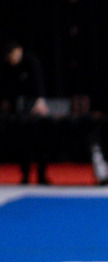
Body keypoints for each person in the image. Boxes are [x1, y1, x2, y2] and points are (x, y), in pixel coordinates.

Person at [0, 41, 50, 184]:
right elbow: (6, 85)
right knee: (23, 142)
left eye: (14, 56)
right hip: (19, 108)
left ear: (19, 51)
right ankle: (25, 175)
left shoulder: (31, 62)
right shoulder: (8, 66)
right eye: (9, 58)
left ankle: (41, 175)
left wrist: (40, 100)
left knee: (41, 142)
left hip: (35, 106)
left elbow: (39, 82)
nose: (12, 60)